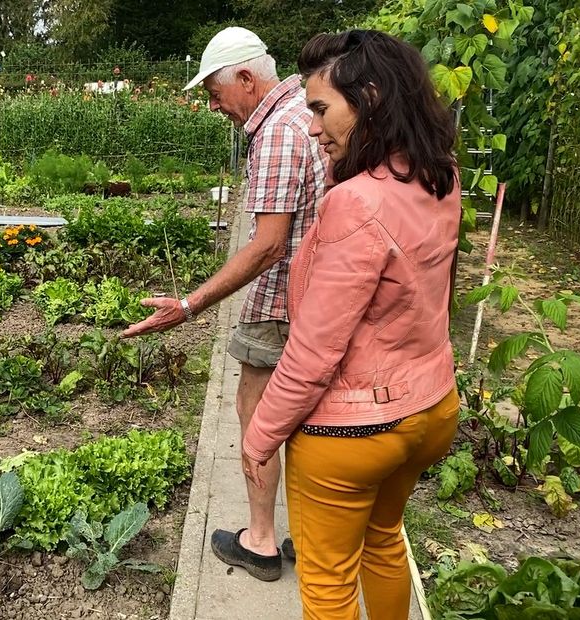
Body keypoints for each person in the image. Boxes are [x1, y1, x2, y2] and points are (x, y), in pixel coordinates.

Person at [241, 30, 461, 619]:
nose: (313, 129)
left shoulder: (356, 203)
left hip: (356, 430)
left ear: (370, 97)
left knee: (327, 581)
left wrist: (260, 437)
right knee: (383, 541)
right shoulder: (439, 174)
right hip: (430, 407)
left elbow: (314, 354)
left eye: (320, 110)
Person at [121, 26, 327, 582]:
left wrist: (189, 305)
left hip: (281, 304)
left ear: (245, 77)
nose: (216, 107)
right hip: (317, 300)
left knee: (257, 417)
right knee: (311, 420)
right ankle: (310, 542)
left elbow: (266, 247)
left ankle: (259, 542)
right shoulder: (307, 115)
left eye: (215, 94)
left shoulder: (278, 133)